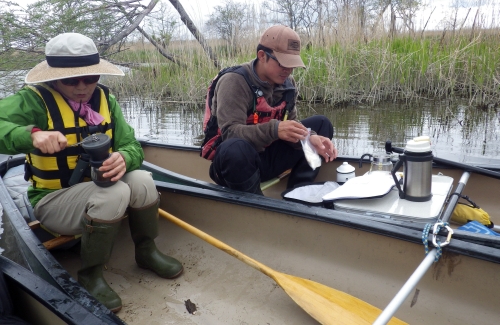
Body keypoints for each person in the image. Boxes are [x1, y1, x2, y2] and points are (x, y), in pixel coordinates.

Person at [0, 33, 183, 313]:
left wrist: (125, 157)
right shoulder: (34, 101)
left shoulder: (105, 99)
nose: (82, 87)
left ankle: (146, 251)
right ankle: (91, 274)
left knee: (143, 179)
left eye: (91, 77)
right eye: (71, 80)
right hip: (53, 201)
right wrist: (32, 135)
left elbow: (131, 144)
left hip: (96, 190)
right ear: (53, 78)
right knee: (116, 191)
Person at [204, 25, 338, 194]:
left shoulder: (288, 84)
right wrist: (275, 130)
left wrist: (309, 137)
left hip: (268, 158)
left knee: (321, 125)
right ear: (262, 56)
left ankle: (298, 193)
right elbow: (229, 133)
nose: (288, 70)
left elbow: (292, 125)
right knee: (234, 148)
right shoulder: (234, 82)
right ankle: (255, 204)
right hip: (237, 165)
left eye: (292, 65)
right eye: (283, 63)